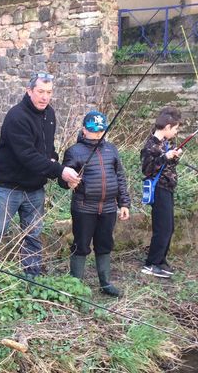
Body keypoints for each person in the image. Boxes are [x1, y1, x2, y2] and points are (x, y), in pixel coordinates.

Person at [0, 72, 81, 277]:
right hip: (9, 187)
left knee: (33, 234)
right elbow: (27, 156)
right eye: (40, 91)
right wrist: (60, 171)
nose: (45, 97)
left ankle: (32, 274)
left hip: (35, 188)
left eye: (49, 92)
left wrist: (58, 171)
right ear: (29, 91)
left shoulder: (50, 115)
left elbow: (47, 152)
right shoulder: (17, 116)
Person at [59, 111, 130, 297]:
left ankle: (105, 283)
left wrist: (124, 203)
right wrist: (68, 182)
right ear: (84, 130)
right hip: (84, 207)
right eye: (93, 131)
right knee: (81, 245)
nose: (97, 134)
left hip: (108, 207)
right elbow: (62, 179)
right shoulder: (74, 151)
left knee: (105, 244)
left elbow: (120, 177)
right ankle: (76, 284)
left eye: (100, 131)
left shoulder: (111, 149)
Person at [140, 107, 182, 278]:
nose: (176, 132)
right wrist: (165, 157)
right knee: (162, 228)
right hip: (159, 189)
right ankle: (152, 263)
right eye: (175, 128)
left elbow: (168, 166)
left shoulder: (165, 144)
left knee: (169, 227)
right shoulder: (150, 145)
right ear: (167, 126)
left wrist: (175, 156)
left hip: (168, 188)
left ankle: (161, 260)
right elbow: (147, 169)